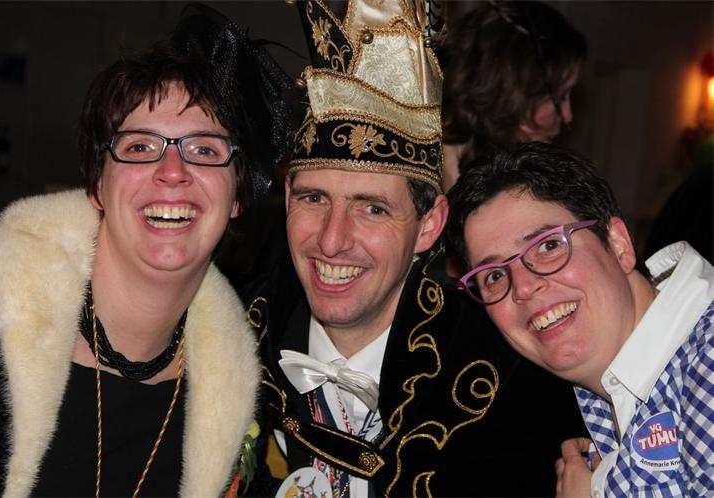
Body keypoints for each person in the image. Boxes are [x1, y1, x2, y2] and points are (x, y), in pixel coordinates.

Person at [243, 1, 586, 496]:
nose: (332, 241)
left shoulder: (506, 393)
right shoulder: (230, 343)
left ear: (430, 226)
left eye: (373, 208)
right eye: (314, 199)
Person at [0, 5, 290, 497]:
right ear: (98, 183)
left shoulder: (244, 391)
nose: (172, 173)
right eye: (140, 147)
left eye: (204, 149)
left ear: (239, 195)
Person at [447, 142, 714, 498]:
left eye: (547, 246)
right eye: (494, 275)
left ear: (618, 244)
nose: (522, 287)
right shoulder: (610, 387)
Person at [440, 0, 587, 190]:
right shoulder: (426, 170)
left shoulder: (486, 173)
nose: (568, 116)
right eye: (560, 97)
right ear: (511, 91)